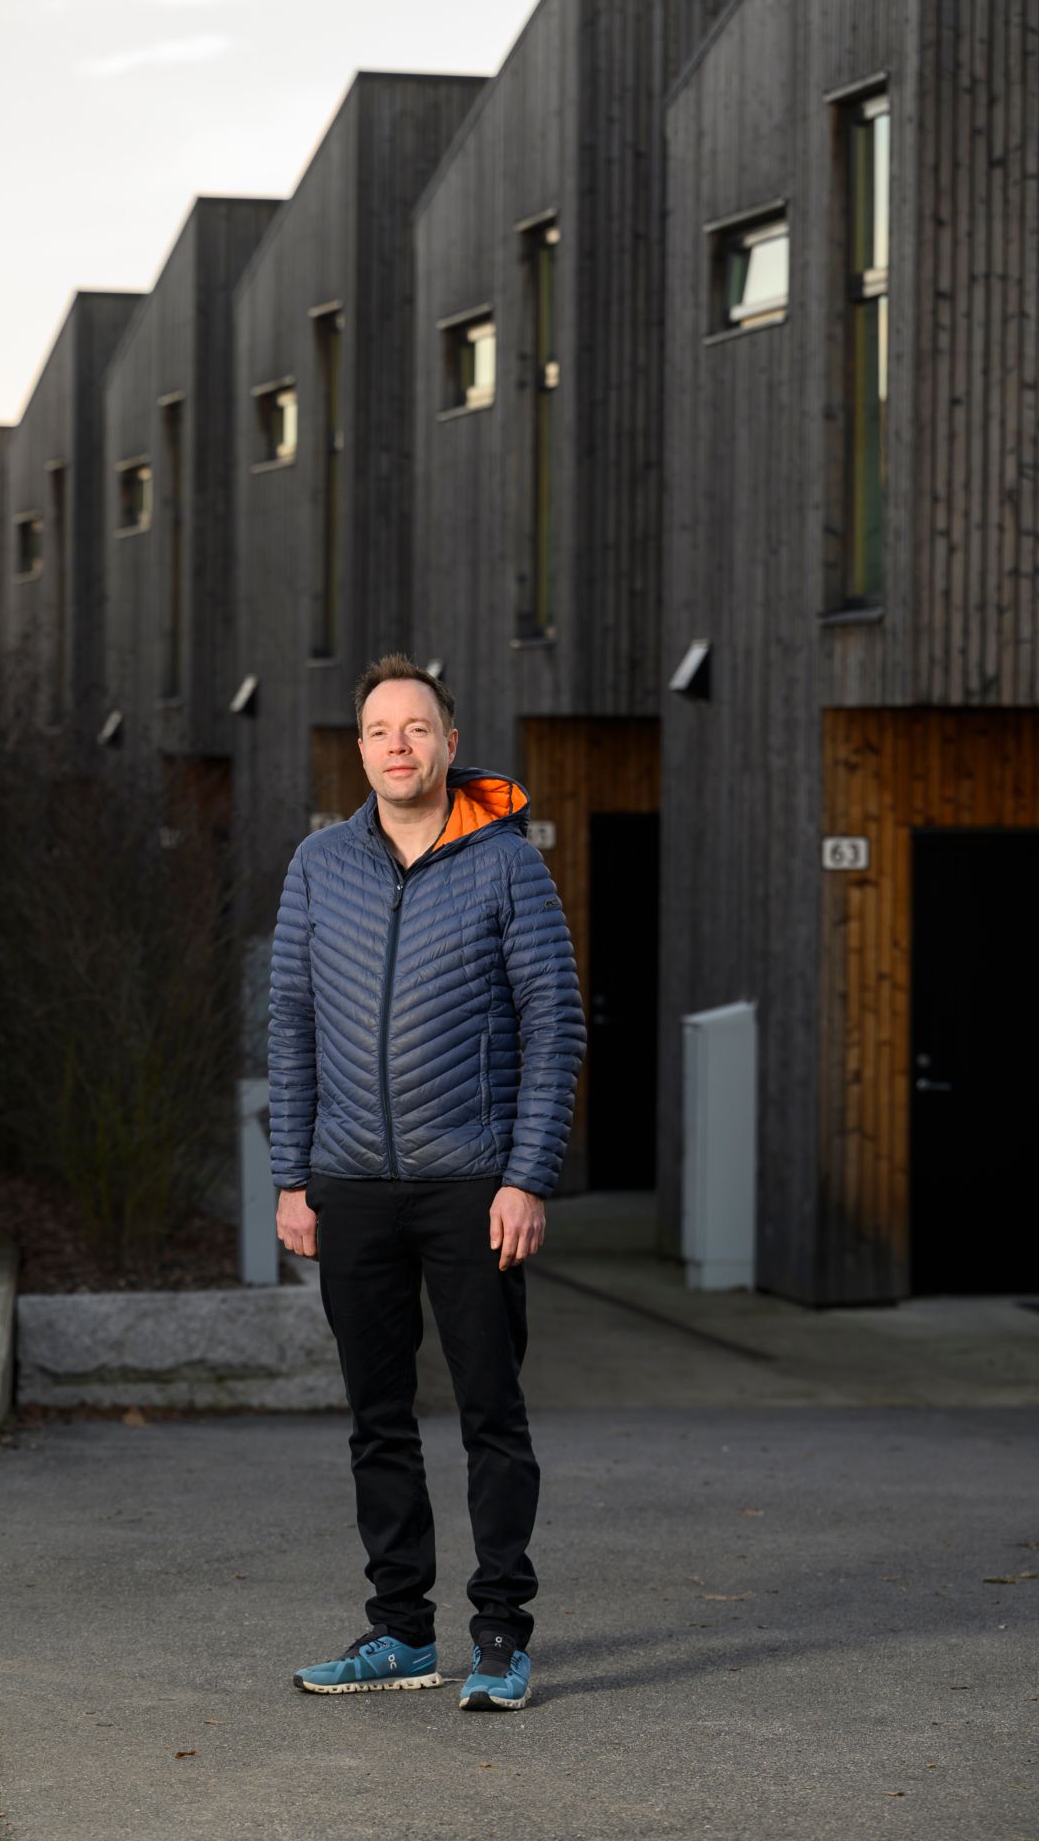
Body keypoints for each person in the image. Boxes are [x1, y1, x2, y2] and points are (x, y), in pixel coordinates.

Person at [268, 653, 585, 1712]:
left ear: (451, 742)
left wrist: (527, 1174)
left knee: (491, 1411)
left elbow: (556, 1025)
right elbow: (293, 1024)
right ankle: (400, 1631)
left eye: (416, 727)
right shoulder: (318, 864)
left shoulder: (508, 864)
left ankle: (501, 1632)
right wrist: (293, 1176)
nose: (397, 744)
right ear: (358, 750)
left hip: (472, 1187)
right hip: (349, 1184)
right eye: (377, 730)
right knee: (378, 1417)